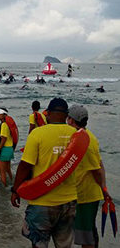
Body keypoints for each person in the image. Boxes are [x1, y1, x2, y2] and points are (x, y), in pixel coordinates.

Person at [10, 98, 78, 248]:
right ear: (66, 115)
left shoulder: (37, 134)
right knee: (65, 245)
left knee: (39, 244)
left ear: (49, 113)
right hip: (70, 202)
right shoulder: (76, 135)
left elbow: (25, 166)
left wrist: (15, 190)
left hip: (42, 201)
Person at [67, 105, 110, 248]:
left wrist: (103, 189)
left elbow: (97, 170)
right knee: (88, 231)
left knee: (86, 237)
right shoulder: (85, 136)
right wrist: (104, 187)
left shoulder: (87, 141)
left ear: (71, 120)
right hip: (82, 194)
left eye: (68, 118)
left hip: (87, 195)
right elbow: (101, 164)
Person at [0, 108, 13, 186]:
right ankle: (12, 184)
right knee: (8, 170)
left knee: (2, 172)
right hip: (9, 149)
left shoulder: (4, 125)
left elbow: (4, 138)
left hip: (4, 149)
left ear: (4, 115)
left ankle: (4, 190)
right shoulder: (6, 124)